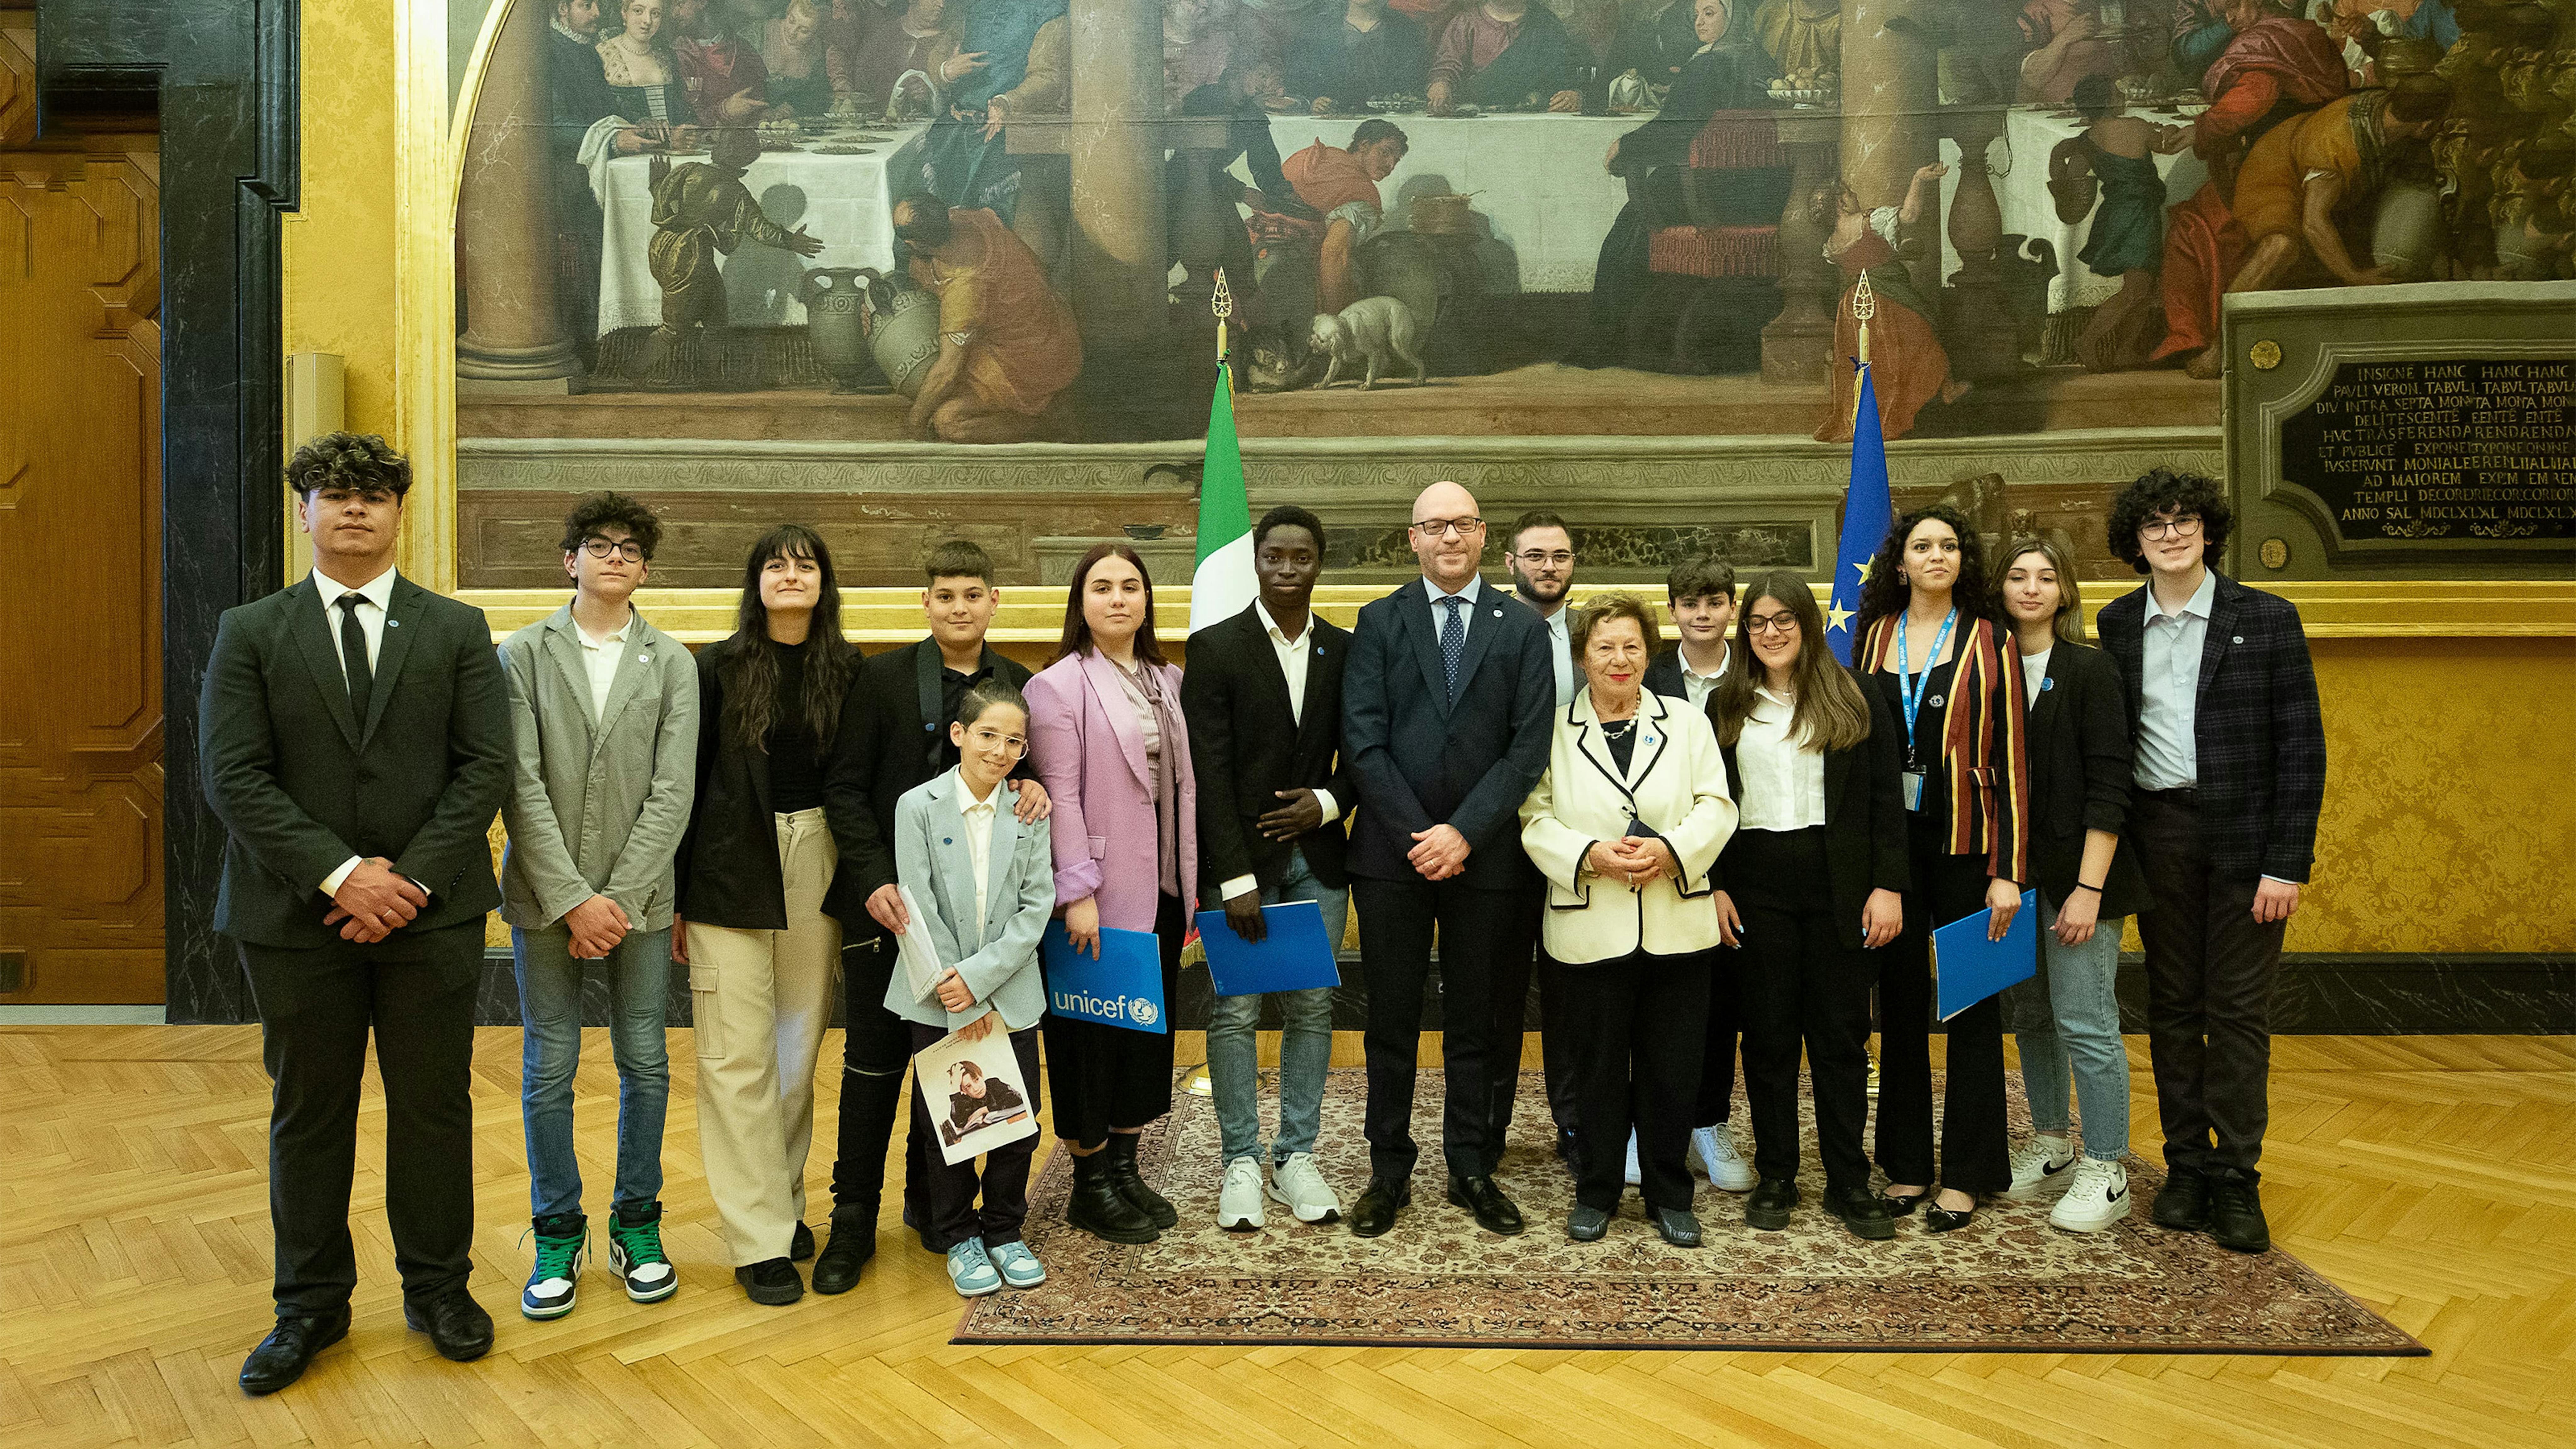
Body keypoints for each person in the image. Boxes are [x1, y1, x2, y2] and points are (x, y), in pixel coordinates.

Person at [203, 433, 511, 1394]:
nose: (354, 509)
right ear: (304, 512)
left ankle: (437, 1290)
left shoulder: (457, 629)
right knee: (310, 1111)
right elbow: (234, 777)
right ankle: (309, 1307)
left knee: (433, 1108)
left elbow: (484, 770)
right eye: (334, 495)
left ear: (398, 512)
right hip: (294, 920)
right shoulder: (250, 631)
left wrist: (405, 882)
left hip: (435, 914)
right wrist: (343, 876)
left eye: (373, 495)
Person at [2096, 468, 2324, 1255]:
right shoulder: (2116, 624)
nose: (2170, 534)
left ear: (2207, 531)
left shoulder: (2266, 619)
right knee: (2171, 1008)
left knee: (2236, 1014)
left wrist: (2285, 864)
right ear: (2135, 541)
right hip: (2158, 839)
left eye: (2184, 521)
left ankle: (2237, 1178)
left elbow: (2302, 752)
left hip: (2247, 847)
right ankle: (2186, 1167)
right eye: (2154, 524)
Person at [814, 539, 1046, 1293]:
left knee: (972, 1081)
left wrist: (1039, 788)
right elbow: (846, 790)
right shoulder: (880, 678)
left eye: (972, 595)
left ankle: (936, 1213)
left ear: (992, 602)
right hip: (890, 909)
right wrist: (879, 881)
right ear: (927, 602)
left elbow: (1026, 782)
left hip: (987, 934)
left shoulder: (1017, 683)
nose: (959, 608)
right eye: (945, 595)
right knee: (878, 1066)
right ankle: (854, 1219)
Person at [497, 493, 698, 1320]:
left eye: (630, 550)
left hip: (642, 903)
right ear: (569, 560)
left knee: (644, 1061)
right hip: (544, 902)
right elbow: (520, 785)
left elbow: (673, 791)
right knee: (549, 1067)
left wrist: (616, 897)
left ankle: (637, 1223)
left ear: (645, 569)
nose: (614, 558)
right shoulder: (522, 655)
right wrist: (575, 899)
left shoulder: (674, 662)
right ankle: (556, 1232)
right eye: (598, 545)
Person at [1340, 481, 1556, 1240]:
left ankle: (1470, 1165)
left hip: (1489, 859)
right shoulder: (1378, 622)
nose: (1449, 538)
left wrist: (1462, 833)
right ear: (1413, 540)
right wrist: (1420, 835)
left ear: (1483, 533)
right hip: (1393, 861)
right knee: (1391, 1021)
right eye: (1434, 527)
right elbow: (1362, 742)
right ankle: (1387, 1170)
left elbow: (1527, 748)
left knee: (1477, 1021)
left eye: (1462, 525)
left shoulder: (1522, 629)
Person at [675, 524, 870, 1306]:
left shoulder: (853, 671)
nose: (791, 575)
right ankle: (757, 1241)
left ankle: (784, 1206)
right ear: (754, 582)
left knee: (796, 1050)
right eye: (776, 565)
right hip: (728, 868)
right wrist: (682, 898)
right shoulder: (713, 669)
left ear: (825, 583)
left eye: (806, 565)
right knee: (734, 1058)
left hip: (816, 862)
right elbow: (683, 786)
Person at [1518, 594, 1739, 1246]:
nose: (1620, 660)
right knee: (1596, 1070)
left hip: (1677, 922)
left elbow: (1716, 805)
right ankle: (1598, 1190)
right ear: (1583, 656)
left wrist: (1671, 852)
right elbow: (1534, 817)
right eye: (1605, 648)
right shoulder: (1553, 727)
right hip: (1589, 925)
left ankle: (1671, 1194)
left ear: (1650, 653)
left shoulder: (1687, 723)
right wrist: (1588, 855)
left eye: (1632, 647)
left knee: (1674, 1068)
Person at [1705, 572, 1906, 1241]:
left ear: (1808, 624)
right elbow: (1706, 808)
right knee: (1765, 1039)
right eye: (1759, 622)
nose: (1771, 632)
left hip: (1841, 886)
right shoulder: (1724, 706)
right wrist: (1714, 887)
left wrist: (1888, 886)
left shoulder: (1857, 695)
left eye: (1784, 619)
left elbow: (1885, 802)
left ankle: (1849, 1179)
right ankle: (1777, 1175)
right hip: (1754, 884)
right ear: (1746, 631)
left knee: (1840, 1041)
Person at [1851, 502, 2031, 1233]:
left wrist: (2009, 871)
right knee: (1897, 1010)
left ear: (1963, 561)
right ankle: (1906, 1166)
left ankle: (1966, 1172)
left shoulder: (1994, 640)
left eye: (1949, 546)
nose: (1937, 556)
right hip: (1891, 854)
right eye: (1922, 545)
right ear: (1899, 562)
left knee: (1973, 1009)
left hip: (1972, 851)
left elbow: (2018, 764)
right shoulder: (1873, 639)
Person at [1181, 506, 1356, 1233]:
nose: (1288, 569)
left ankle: (1296, 1157)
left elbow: (1368, 755)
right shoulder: (1215, 648)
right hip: (1244, 868)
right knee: (1238, 1010)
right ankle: (1241, 1162)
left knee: (1313, 1005)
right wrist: (1234, 877)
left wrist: (1325, 802)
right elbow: (1208, 773)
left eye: (1302, 558)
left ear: (1320, 564)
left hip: (1317, 861)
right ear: (1256, 561)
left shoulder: (1344, 652)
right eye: (1275, 557)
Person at [1025, 545, 1201, 1245]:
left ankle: (1126, 1170)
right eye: (1102, 588)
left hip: (1161, 886)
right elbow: (1060, 796)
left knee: (1142, 1036)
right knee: (1087, 1040)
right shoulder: (1058, 687)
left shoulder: (1170, 678)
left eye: (1131, 586)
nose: (1119, 599)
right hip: (1096, 894)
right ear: (1082, 602)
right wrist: (1077, 891)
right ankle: (1089, 1186)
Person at [1992, 535, 2151, 1234]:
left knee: (2086, 1020)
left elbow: (2111, 786)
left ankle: (2106, 1165)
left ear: (2064, 592)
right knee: (2031, 1015)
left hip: (2082, 880)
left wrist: (2088, 890)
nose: (2031, 588)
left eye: (2046, 576)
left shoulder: (2090, 670)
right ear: (1998, 588)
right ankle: (2053, 1142)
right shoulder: (1984, 671)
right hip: (2011, 881)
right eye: (2018, 576)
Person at [886, 677, 1058, 1297]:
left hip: (1008, 991)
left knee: (1019, 1121)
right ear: (960, 735)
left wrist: (980, 980)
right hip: (938, 992)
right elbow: (918, 899)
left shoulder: (1030, 809)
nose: (1000, 750)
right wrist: (953, 981)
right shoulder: (918, 806)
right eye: (988, 735)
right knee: (952, 1124)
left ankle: (1005, 1230)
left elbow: (1037, 904)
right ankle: (959, 1236)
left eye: (1014, 740)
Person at [1641, 554, 1758, 1195]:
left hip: (1741, 862)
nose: (1703, 614)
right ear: (1673, 612)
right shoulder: (1648, 672)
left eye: (1715, 602)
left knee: (1720, 1005)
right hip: (1661, 861)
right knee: (1658, 1002)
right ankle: (1651, 1125)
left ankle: (1710, 1122)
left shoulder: (1756, 669)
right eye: (1690, 604)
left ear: (1731, 609)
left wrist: (1719, 882)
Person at [2149, 0, 2348, 377]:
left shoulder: (2261, 43)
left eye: (2234, 7)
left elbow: (2254, 95)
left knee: (2192, 227)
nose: (2228, 19)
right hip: (2317, 156)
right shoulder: (2303, 35)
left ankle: (2199, 341)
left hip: (2276, 165)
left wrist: (2200, 129)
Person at [1583, 0, 1780, 367]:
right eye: (1696, 15)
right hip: (1758, 192)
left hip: (1706, 190)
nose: (1699, 22)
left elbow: (1674, 128)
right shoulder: (1760, 61)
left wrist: (1625, 146)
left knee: (1631, 223)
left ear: (1733, 16)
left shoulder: (1711, 63)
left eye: (1710, 13)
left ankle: (1613, 340)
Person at [1500, 511, 1583, 1174]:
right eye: (1535, 556)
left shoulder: (1599, 636)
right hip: (1502, 835)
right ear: (1510, 564)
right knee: (1498, 990)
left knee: (1571, 991)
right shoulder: (1489, 632)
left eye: (1559, 556)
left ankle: (1577, 1122)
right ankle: (1490, 1125)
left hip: (1582, 839)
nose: (1548, 567)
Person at [2221, 76, 2452, 294]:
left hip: (2308, 159)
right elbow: (2314, 222)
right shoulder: (2336, 148)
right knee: (2282, 247)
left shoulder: (2388, 112)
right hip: (2274, 173)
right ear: (2426, 126)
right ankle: (2225, 328)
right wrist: (2353, 276)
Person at [644, 127, 827, 386]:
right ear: (748, 159)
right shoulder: (737, 192)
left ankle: (709, 380)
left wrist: (656, 183)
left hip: (668, 250)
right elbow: (760, 230)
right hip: (690, 259)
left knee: (717, 320)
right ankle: (633, 373)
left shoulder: (689, 170)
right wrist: (790, 240)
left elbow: (665, 201)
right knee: (674, 328)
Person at [893, 194, 1083, 442]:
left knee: (948, 421)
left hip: (1029, 364)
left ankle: (1045, 427)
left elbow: (947, 372)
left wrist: (914, 424)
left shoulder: (966, 289)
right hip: (1052, 330)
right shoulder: (967, 219)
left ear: (915, 244)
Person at [1815, 164, 1966, 444]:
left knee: (1866, 361)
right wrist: (1919, 179)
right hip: (1884, 300)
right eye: (1848, 192)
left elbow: (1859, 264)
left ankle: (1867, 416)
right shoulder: (1868, 221)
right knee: (1921, 337)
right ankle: (1944, 389)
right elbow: (1909, 216)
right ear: (1839, 203)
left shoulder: (1832, 242)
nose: (1854, 194)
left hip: (1852, 307)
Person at [2051, 75, 2177, 373]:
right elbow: (2167, 146)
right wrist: (2170, 129)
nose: (2121, 94)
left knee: (2145, 289)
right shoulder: (2136, 126)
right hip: (2138, 217)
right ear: (2107, 100)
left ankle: (2125, 352)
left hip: (2116, 216)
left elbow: (2070, 182)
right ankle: (2088, 340)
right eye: (2116, 91)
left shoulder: (2087, 141)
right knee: (2137, 289)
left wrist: (2061, 153)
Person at [918, 0, 1070, 222]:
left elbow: (1050, 77)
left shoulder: (1049, 9)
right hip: (953, 131)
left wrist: (1007, 101)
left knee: (988, 227)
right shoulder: (971, 7)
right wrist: (946, 70)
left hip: (1003, 135)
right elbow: (939, 55)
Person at [1280, 119, 1410, 317]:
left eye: (1397, 160)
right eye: (1385, 152)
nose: (1391, 165)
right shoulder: (1362, 194)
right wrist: (1335, 322)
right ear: (1364, 146)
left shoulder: (1322, 157)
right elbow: (1334, 251)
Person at [1426, 0, 1590, 115]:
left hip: (1534, 121)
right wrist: (1441, 84)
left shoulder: (1548, 25)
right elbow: (1447, 67)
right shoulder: (1465, 22)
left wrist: (1574, 96)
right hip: (1475, 117)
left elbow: (1568, 76)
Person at [1287, 0, 1429, 114]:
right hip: (1335, 117)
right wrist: (1314, 101)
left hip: (1390, 117)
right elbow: (1300, 77)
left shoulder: (1403, 27)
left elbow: (1415, 76)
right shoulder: (1319, 27)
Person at [672, 0, 774, 124]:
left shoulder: (742, 48)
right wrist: (725, 110)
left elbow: (762, 96)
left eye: (680, 4)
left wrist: (766, 113)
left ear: (702, 3)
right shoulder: (682, 55)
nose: (674, 13)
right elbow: (691, 115)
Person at [600, 0, 699, 127]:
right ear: (624, 13)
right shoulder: (602, 54)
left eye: (656, 13)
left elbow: (683, 111)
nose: (648, 21)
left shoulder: (668, 56)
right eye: (638, 11)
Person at [2017, 0, 2119, 104]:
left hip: (2107, 104)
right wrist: (2067, 36)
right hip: (2057, 107)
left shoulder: (2107, 6)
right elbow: (2032, 77)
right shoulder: (2036, 11)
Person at [758, 0, 835, 117]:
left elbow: (815, 95)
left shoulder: (819, 50)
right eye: (792, 21)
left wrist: (793, 107)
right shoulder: (760, 34)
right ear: (788, 13)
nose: (793, 32)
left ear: (816, 33)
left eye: (804, 31)